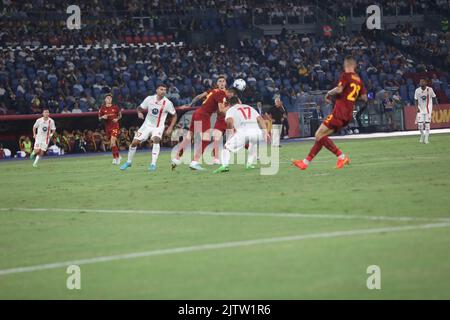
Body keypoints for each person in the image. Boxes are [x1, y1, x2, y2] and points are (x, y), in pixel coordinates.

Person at [292, 56, 368, 170]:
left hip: (339, 113)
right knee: (321, 137)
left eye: (345, 64)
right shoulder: (359, 80)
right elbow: (364, 98)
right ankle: (305, 163)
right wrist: (350, 100)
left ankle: (341, 156)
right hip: (347, 115)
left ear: (348, 65)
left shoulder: (346, 76)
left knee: (318, 135)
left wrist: (328, 93)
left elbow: (339, 89)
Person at [171, 76, 229, 171]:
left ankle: (176, 158)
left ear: (225, 83)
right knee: (206, 139)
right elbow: (221, 110)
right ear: (217, 83)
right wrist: (230, 109)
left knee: (189, 137)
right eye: (220, 81)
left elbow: (199, 97)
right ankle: (194, 162)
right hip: (204, 115)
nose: (222, 83)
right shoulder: (221, 93)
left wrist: (189, 105)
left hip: (197, 112)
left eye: (223, 81)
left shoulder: (212, 91)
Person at [120, 84, 177, 171]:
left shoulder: (168, 103)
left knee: (156, 140)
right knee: (134, 142)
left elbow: (174, 115)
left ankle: (153, 164)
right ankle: (128, 162)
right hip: (146, 126)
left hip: (158, 127)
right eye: (161, 89)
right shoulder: (149, 99)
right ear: (157, 90)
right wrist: (139, 112)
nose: (163, 92)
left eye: (165, 90)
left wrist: (170, 127)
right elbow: (140, 108)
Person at [213, 96, 270, 173]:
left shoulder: (231, 109)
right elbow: (260, 119)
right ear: (239, 102)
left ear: (229, 104)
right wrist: (265, 132)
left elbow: (229, 121)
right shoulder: (249, 107)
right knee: (252, 144)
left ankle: (225, 166)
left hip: (243, 132)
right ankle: (249, 164)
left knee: (226, 148)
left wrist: (231, 133)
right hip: (257, 132)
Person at [98, 93, 122, 164]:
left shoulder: (115, 107)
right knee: (112, 144)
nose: (109, 99)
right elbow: (99, 118)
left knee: (112, 142)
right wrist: (103, 117)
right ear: (105, 99)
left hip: (115, 126)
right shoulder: (102, 108)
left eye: (110, 98)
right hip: (108, 128)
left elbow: (120, 115)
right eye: (107, 98)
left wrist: (117, 119)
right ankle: (116, 156)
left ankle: (117, 158)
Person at [415, 78, 438, 144]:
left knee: (427, 125)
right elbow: (416, 99)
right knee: (420, 125)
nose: (421, 83)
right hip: (420, 109)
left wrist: (436, 105)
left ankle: (426, 139)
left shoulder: (430, 89)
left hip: (428, 109)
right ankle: (422, 134)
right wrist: (416, 107)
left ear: (426, 83)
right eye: (420, 82)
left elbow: (434, 97)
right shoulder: (417, 90)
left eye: (423, 81)